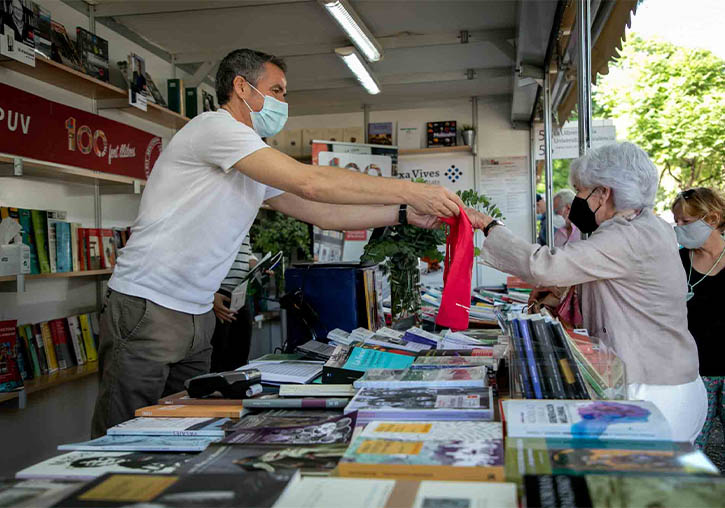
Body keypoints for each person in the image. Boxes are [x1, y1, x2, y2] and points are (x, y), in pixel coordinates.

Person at [91, 48, 466, 437]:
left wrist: (403, 213)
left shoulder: (250, 155)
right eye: (277, 90)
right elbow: (312, 183)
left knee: (181, 432)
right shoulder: (214, 130)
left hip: (197, 315)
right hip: (148, 307)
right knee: (122, 434)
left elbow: (323, 213)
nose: (284, 102)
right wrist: (410, 189)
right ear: (242, 87)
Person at [475, 142, 707, 442]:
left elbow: (545, 266)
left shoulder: (627, 235)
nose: (575, 204)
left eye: (580, 191)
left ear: (603, 193)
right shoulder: (649, 227)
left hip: (654, 390)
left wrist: (490, 226)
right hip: (668, 380)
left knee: (634, 483)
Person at [672, 187, 725, 449]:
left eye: (686, 222)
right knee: (692, 448)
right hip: (692, 373)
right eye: (677, 221)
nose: (679, 227)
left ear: (712, 219)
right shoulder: (677, 261)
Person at [210, 235, 256, 372]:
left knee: (240, 360)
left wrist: (255, 264)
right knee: (218, 360)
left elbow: (245, 251)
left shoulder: (245, 216)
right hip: (218, 294)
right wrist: (210, 294)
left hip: (240, 293)